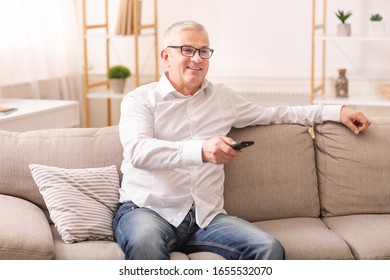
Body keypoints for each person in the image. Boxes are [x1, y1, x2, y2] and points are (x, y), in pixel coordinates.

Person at [113, 20, 371, 260]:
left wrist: (336, 111)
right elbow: (139, 151)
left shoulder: (222, 97)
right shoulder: (140, 100)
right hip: (147, 211)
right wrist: (201, 151)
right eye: (187, 49)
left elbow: (276, 114)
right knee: (145, 242)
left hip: (205, 218)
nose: (197, 58)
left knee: (268, 248)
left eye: (204, 51)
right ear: (166, 57)